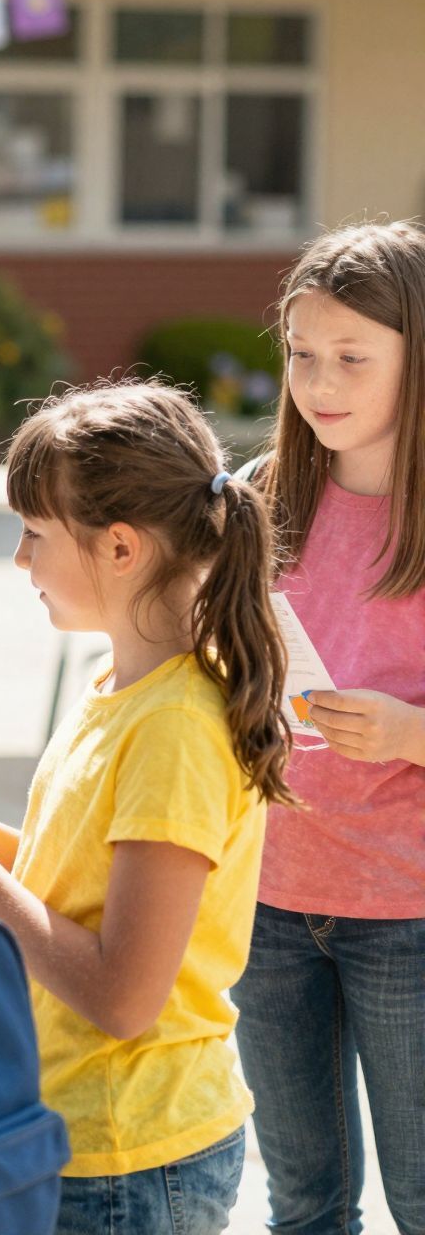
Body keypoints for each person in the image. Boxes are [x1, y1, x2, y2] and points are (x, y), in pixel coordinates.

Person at [0, 381, 294, 1235]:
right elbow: (94, 889)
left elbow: (124, 994)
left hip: (131, 1153)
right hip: (85, 1135)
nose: (17, 560)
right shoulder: (121, 687)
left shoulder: (175, 727)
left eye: (35, 535)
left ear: (120, 547)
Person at [236, 222, 425, 1235]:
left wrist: (404, 733)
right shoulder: (255, 501)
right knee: (302, 1203)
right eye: (301, 354)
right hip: (265, 904)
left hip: (407, 915)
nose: (319, 381)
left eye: (351, 357)